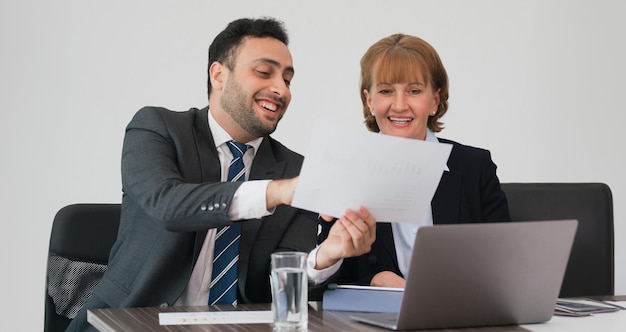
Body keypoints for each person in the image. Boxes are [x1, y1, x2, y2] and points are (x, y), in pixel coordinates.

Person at [66, 17, 375, 332]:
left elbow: (279, 285)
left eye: (287, 79)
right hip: (130, 323)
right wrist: (275, 192)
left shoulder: (294, 170)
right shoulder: (157, 129)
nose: (281, 89)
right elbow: (168, 205)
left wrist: (325, 256)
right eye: (264, 72)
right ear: (219, 75)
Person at [321, 33, 511, 288]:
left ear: (434, 101)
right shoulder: (343, 169)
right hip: (372, 321)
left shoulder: (475, 168)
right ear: (370, 101)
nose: (399, 105)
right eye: (386, 91)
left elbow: (505, 263)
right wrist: (374, 281)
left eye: (414, 91)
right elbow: (319, 280)